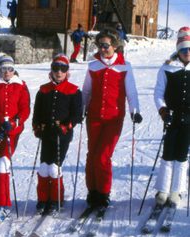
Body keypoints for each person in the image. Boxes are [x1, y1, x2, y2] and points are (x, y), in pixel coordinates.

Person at [82, 29, 142, 212]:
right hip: (93, 117)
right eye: (99, 45)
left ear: (114, 46)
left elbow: (131, 92)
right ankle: (92, 191)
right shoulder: (94, 66)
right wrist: (80, 109)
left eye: (105, 45)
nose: (102, 49)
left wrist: (135, 111)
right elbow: (86, 92)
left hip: (114, 118)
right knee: (92, 155)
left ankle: (104, 193)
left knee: (102, 156)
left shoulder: (125, 66)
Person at [0, 53, 30, 223]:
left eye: (10, 69)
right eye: (3, 69)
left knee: (3, 165)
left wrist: (15, 123)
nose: (7, 72)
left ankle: (2, 204)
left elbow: (25, 109)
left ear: (14, 70)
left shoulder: (21, 85)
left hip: (12, 132)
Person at [32, 54, 82, 214]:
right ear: (51, 70)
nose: (59, 72)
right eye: (55, 68)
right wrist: (37, 126)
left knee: (54, 167)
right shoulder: (43, 89)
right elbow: (37, 112)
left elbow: (77, 115)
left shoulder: (74, 91)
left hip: (62, 135)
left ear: (67, 71)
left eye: (63, 69)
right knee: (44, 167)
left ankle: (56, 199)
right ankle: (43, 198)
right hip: (46, 133)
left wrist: (66, 126)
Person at [154, 26, 190, 208]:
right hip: (171, 117)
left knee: (182, 154)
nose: (188, 52)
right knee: (168, 153)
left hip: (188, 119)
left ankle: (176, 191)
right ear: (178, 50)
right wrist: (163, 110)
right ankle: (163, 190)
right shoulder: (168, 67)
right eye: (184, 49)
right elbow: (159, 92)